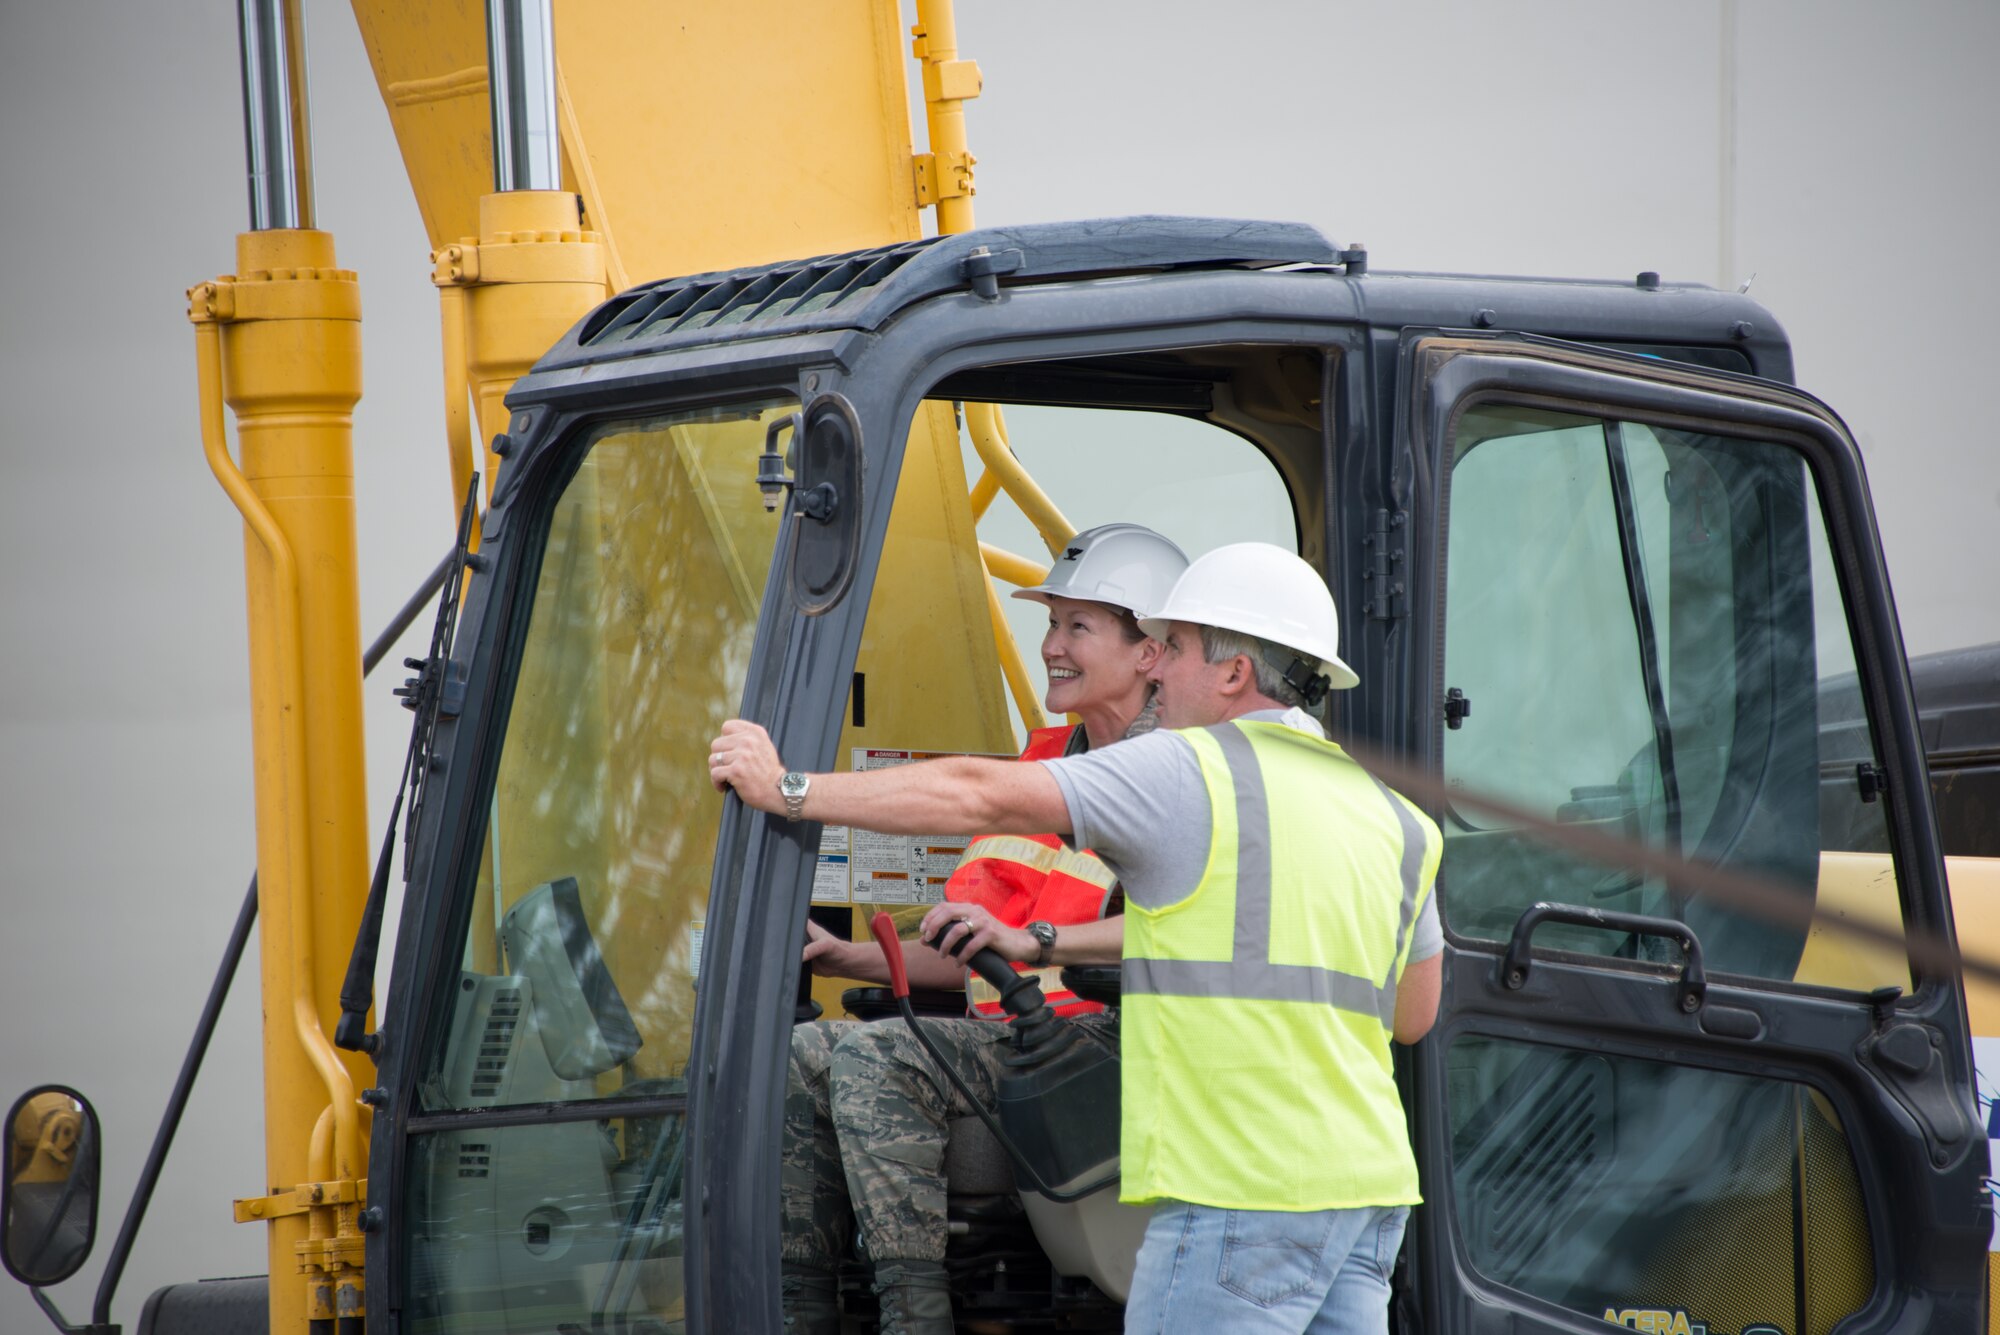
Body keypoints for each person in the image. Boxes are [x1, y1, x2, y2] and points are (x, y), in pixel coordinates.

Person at [714, 542, 1442, 1335]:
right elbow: (1411, 1013)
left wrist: (786, 788)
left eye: (1181, 650)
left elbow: (974, 792)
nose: (1159, 672)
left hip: (1244, 1189)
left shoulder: (1191, 769)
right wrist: (1047, 945)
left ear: (1234, 674)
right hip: (1367, 1198)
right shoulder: (1395, 817)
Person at [780, 523, 1189, 1335]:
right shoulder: (1047, 765)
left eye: (1079, 626)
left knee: (875, 1052)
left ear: (1150, 652)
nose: (1051, 646)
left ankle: (915, 1315)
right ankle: (799, 1308)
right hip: (1022, 1038)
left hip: (1114, 1048)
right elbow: (980, 954)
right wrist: (848, 956)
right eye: (1051, 623)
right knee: (798, 1052)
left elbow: (1178, 939)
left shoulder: (1178, 773)